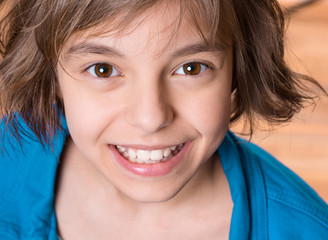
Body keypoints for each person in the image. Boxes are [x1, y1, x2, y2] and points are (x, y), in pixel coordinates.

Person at [0, 0, 327, 239]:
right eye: (103, 69)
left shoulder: (305, 229)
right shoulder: (8, 162)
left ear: (238, 71)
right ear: (51, 77)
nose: (150, 118)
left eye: (191, 68)